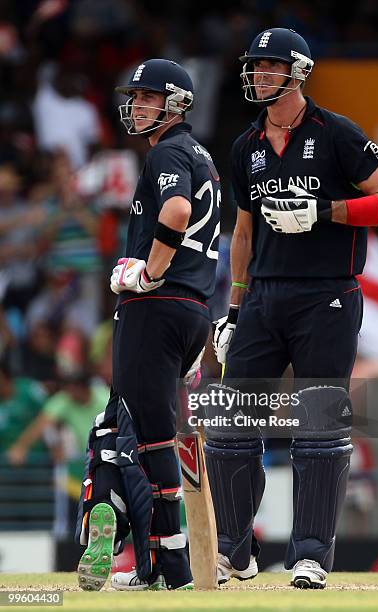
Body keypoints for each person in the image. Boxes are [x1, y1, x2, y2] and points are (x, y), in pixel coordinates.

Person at [210, 28, 378, 589]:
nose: (258, 75)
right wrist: (235, 307)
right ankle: (233, 550)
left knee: (318, 427)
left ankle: (311, 556)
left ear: (298, 72)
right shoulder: (246, 144)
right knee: (232, 421)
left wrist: (323, 212)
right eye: (255, 66)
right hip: (264, 297)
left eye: (269, 67)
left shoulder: (337, 132)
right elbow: (241, 234)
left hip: (327, 295)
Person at [75, 59, 221, 592]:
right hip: (194, 312)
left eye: (147, 98)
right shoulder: (202, 154)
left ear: (176, 103)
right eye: (134, 98)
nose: (136, 107)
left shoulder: (168, 151)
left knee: (122, 435)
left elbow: (178, 210)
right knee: (141, 433)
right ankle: (157, 559)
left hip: (156, 309)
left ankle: (134, 546)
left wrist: (146, 272)